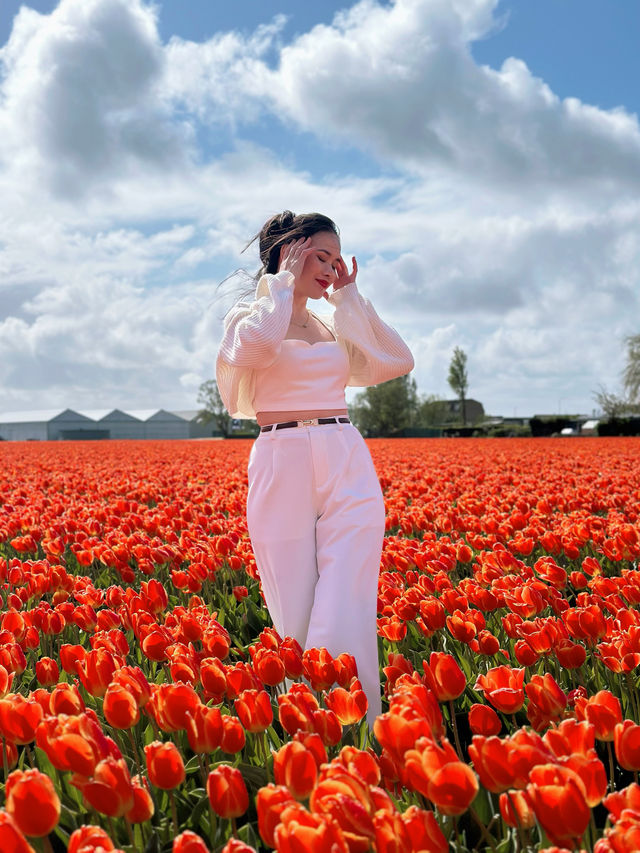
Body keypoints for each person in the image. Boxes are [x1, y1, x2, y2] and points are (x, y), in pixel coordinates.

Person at [216, 210, 414, 725]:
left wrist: (349, 298)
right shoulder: (251, 317)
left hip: (345, 451)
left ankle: (358, 725)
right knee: (297, 610)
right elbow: (254, 352)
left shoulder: (333, 322)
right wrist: (280, 286)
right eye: (318, 257)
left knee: (349, 585)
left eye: (335, 258)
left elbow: (396, 359)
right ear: (289, 252)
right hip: (282, 460)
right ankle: (314, 728)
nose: (329, 268)